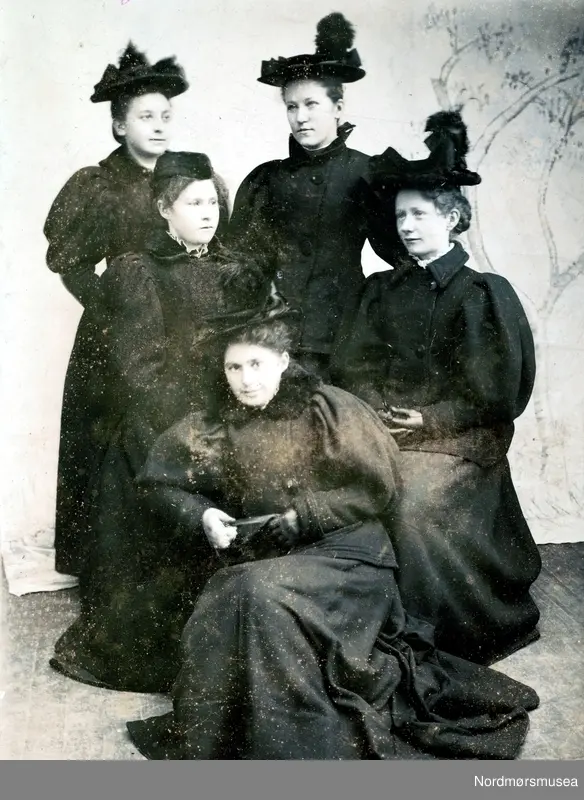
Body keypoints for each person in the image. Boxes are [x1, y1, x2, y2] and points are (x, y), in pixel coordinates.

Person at [124, 296, 539, 760]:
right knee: (237, 591)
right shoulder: (214, 424)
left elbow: (377, 488)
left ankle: (293, 747)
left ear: (283, 361)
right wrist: (201, 515)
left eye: (257, 364)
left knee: (256, 593)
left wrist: (304, 516)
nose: (246, 380)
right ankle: (231, 731)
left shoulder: (327, 409)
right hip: (272, 559)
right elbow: (158, 485)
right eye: (234, 368)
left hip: (347, 559)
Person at [333, 111, 542, 665]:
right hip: (384, 430)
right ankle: (367, 630)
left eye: (420, 214)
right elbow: (353, 366)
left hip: (457, 440)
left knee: (411, 504)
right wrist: (378, 411)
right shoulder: (380, 290)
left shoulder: (482, 292)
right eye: (400, 215)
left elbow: (497, 393)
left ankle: (437, 636)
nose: (406, 225)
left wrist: (429, 420)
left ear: (451, 218)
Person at [49, 152, 247, 693]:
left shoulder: (230, 267)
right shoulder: (139, 271)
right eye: (193, 203)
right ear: (164, 209)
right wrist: (199, 427)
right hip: (159, 431)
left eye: (212, 202)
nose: (207, 213)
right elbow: (141, 372)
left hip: (220, 420)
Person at [44, 42, 189, 577]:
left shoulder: (185, 178)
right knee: (105, 436)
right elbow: (69, 261)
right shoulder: (98, 185)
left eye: (165, 116)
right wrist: (113, 308)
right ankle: (97, 559)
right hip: (113, 334)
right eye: (145, 117)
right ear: (119, 126)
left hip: (176, 329)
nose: (158, 126)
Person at [228, 13, 403, 381]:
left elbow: (399, 255)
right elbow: (240, 262)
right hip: (274, 336)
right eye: (292, 107)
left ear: (338, 108)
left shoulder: (366, 173)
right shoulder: (266, 180)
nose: (300, 117)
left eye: (311, 104)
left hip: (342, 336)